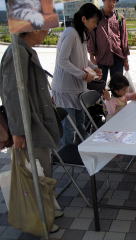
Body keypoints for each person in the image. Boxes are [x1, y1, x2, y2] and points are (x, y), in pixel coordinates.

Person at [0, 30, 61, 232]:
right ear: (32, 28)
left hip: (36, 122)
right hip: (29, 127)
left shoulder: (25, 50)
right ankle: (40, 219)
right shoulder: (16, 53)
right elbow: (12, 96)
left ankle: (48, 208)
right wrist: (17, 131)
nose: (47, 32)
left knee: (42, 166)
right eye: (45, 28)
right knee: (36, 170)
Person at [51, 3, 102, 145]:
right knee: (70, 127)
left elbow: (82, 58)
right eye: (94, 22)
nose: (95, 25)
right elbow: (63, 60)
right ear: (84, 19)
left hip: (78, 88)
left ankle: (81, 152)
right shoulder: (70, 33)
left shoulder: (82, 34)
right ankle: (66, 157)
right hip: (65, 89)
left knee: (80, 123)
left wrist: (94, 68)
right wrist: (82, 75)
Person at [87, 0, 130, 93]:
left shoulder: (120, 18)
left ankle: (117, 106)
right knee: (99, 85)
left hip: (117, 58)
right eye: (109, 1)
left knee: (118, 87)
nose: (112, 4)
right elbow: (92, 37)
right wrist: (91, 55)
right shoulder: (96, 18)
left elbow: (124, 39)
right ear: (103, 1)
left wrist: (126, 60)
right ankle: (100, 105)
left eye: (114, 1)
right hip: (101, 58)